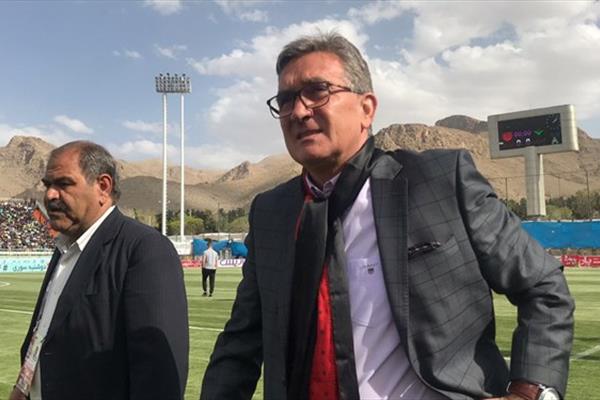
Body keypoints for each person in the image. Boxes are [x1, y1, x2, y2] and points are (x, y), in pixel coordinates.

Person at [200, 33, 574, 400]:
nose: (298, 111)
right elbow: (241, 343)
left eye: (317, 91)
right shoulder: (271, 212)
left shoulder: (440, 182)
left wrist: (530, 392)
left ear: (367, 109)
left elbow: (543, 286)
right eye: (286, 100)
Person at [10, 141, 189, 400]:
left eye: (64, 184)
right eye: (48, 185)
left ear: (103, 186)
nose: (50, 195)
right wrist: (23, 387)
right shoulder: (64, 247)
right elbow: (43, 334)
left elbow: (158, 377)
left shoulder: (144, 249)